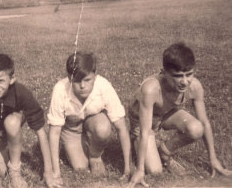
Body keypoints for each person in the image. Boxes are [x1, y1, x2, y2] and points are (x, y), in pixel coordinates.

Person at [127, 42, 232, 187]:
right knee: (155, 170)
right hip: (144, 122)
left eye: (189, 74)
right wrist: (139, 170)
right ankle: (133, 140)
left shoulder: (194, 86)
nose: (184, 81)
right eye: (178, 76)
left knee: (197, 128)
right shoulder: (151, 89)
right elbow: (145, 131)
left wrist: (213, 159)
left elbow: (205, 122)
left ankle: (164, 151)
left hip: (164, 114)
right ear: (163, 72)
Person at [0, 53, 54, 188]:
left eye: (1, 81)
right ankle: (9, 147)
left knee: (11, 123)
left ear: (12, 79)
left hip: (12, 123)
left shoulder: (21, 92)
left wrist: (48, 171)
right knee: (1, 172)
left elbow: (40, 131)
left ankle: (15, 171)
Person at [48, 51, 131, 185]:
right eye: (76, 81)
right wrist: (56, 174)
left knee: (103, 128)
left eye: (87, 80)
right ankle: (80, 144)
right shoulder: (59, 89)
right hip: (71, 128)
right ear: (69, 78)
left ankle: (95, 155)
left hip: (94, 122)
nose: (82, 86)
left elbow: (121, 128)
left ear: (95, 76)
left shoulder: (103, 86)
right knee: (80, 167)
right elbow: (54, 132)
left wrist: (127, 169)